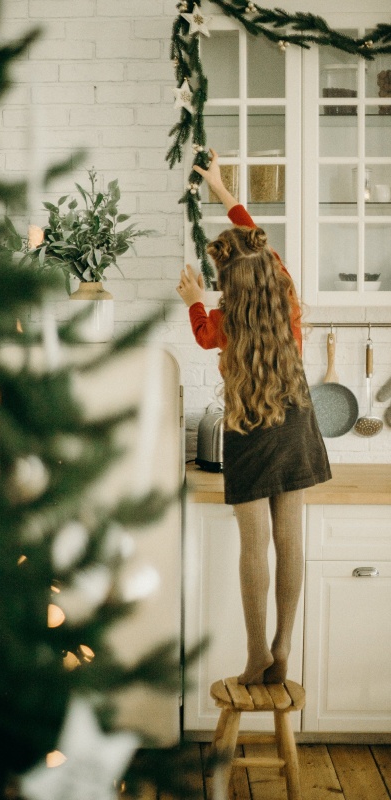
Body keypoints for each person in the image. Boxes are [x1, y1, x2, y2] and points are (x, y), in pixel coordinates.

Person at [176, 149, 331, 686]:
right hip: (295, 421)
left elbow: (201, 337)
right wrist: (222, 189)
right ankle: (284, 642)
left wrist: (196, 299)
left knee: (254, 546)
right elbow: (254, 235)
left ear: (229, 287)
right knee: (291, 539)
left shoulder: (223, 320)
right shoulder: (284, 291)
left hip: (247, 425)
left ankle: (254, 655)